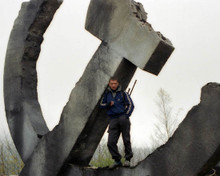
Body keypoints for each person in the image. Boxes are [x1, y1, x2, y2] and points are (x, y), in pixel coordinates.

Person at [100, 77, 134, 168]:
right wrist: (108, 104)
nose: (113, 85)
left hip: (123, 117)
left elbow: (131, 104)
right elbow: (101, 105)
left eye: (115, 83)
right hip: (113, 119)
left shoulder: (123, 93)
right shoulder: (107, 94)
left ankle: (127, 159)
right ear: (109, 84)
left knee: (126, 139)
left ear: (118, 84)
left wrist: (126, 115)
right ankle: (117, 160)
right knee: (110, 142)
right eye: (112, 83)